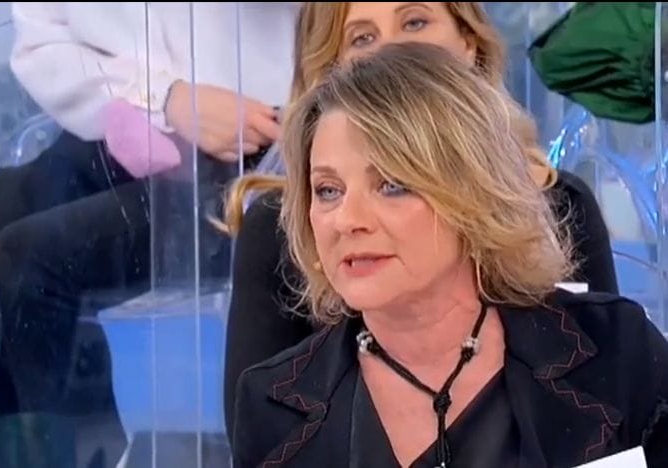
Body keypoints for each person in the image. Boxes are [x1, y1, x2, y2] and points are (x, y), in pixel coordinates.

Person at [228, 41, 668, 468]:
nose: (347, 220)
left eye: (391, 185)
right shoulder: (273, 408)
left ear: (471, 194)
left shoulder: (616, 352)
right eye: (328, 190)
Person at [0, 3, 297, 466]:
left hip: (250, 141)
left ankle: (57, 454)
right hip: (115, 122)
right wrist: (165, 98)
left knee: (28, 259)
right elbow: (40, 44)